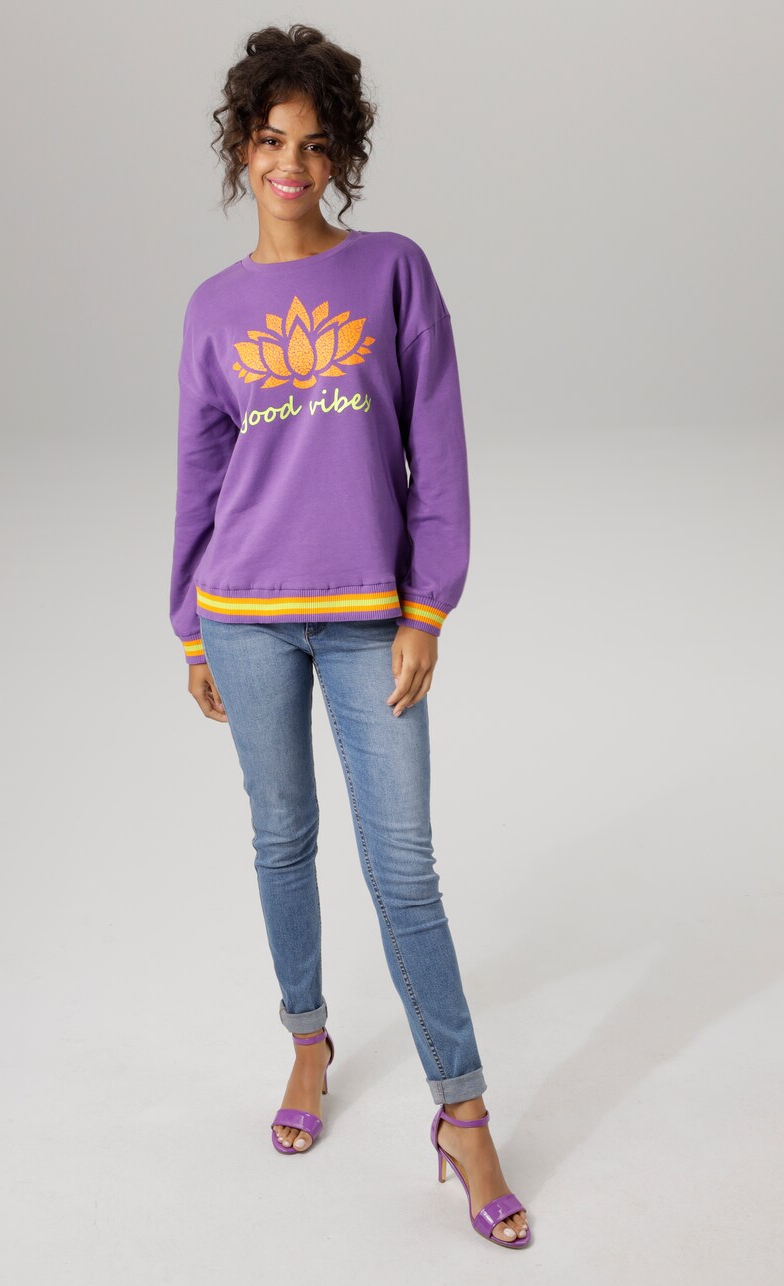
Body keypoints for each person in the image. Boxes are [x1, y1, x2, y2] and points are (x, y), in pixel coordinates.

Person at [169, 23, 531, 1251]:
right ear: (241, 148)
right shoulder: (213, 308)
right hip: (245, 611)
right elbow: (199, 474)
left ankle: (463, 1113)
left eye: (315, 145)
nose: (292, 164)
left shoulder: (392, 271)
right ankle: (308, 1040)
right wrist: (190, 628)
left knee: (404, 868)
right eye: (271, 140)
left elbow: (440, 443)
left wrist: (428, 604)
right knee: (282, 839)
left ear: (341, 157)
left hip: (373, 613)